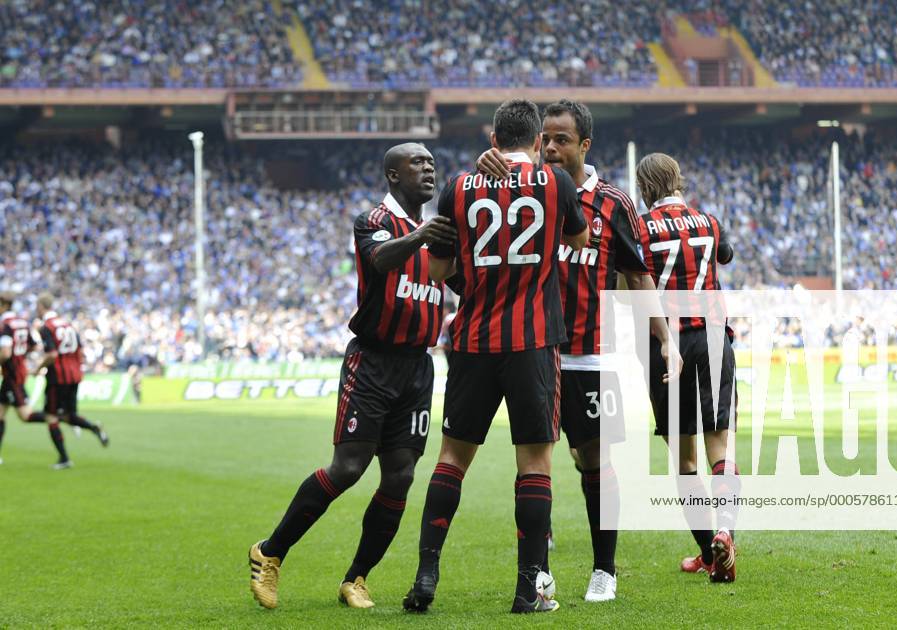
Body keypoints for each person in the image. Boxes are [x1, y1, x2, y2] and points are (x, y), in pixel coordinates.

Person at [476, 99, 679, 602]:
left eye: (561, 139)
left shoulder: (612, 203)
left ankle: (604, 570)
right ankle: (539, 573)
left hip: (590, 354)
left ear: (584, 145)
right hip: (533, 350)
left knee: (594, 458)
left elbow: (637, 274)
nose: (549, 147)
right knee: (534, 461)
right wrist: (487, 161)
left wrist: (665, 337)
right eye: (544, 138)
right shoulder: (528, 189)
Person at [249, 143, 456, 610]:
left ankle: (356, 578)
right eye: (416, 163)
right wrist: (424, 235)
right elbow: (382, 262)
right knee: (348, 468)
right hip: (373, 362)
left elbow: (457, 280)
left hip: (418, 367)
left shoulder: (437, 234)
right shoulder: (374, 222)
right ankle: (270, 551)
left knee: (400, 476)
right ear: (393, 176)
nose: (428, 168)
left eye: (430, 162)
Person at [403, 99, 589, 615]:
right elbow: (580, 237)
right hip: (532, 342)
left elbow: (438, 274)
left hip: (473, 342)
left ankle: (425, 576)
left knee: (452, 459)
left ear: (492, 140)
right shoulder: (557, 184)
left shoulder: (459, 187)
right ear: (536, 141)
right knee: (534, 463)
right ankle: (529, 589)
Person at [635, 153, 740, 583]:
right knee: (720, 448)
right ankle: (725, 532)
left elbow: (632, 287)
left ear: (644, 189)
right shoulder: (710, 222)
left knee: (684, 460)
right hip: (714, 340)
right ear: (678, 180)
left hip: (669, 347)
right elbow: (726, 255)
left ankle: (709, 555)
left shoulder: (640, 229)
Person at [34, 293, 109, 470]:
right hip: (74, 376)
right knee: (69, 416)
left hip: (57, 377)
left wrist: (37, 369)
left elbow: (52, 355)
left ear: (41, 306)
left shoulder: (46, 327)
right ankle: (93, 427)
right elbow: (80, 352)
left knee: (51, 416)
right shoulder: (68, 325)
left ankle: (64, 458)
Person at [0, 291, 71, 466]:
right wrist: (21, 356)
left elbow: (6, 353)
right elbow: (33, 345)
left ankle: (59, 419)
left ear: (3, 305)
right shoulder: (22, 322)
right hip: (18, 372)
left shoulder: (5, 325)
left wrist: (11, 358)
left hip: (12, 376)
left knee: (25, 416)